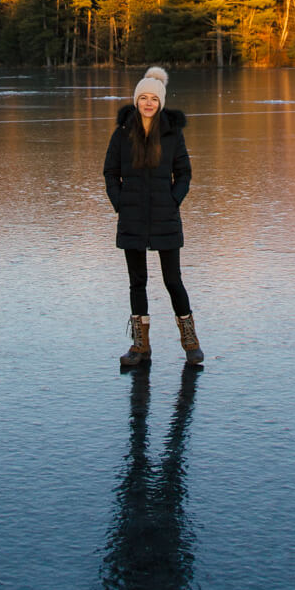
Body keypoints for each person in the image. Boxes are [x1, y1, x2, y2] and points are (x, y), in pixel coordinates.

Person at [103, 66, 204, 369]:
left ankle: (191, 343)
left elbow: (184, 173)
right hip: (132, 218)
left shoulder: (172, 134)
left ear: (160, 102)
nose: (148, 103)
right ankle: (140, 346)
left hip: (165, 217)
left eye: (153, 99)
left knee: (173, 280)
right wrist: (120, 202)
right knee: (138, 282)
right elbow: (110, 173)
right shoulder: (122, 134)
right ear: (136, 101)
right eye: (143, 98)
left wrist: (174, 200)